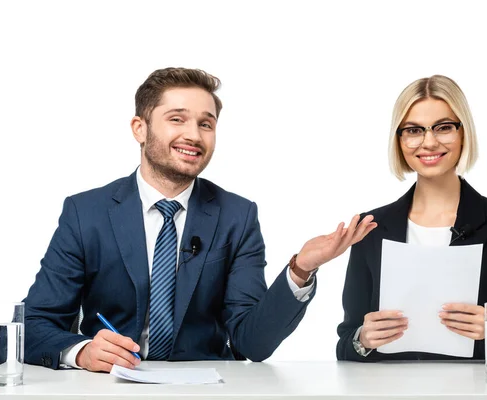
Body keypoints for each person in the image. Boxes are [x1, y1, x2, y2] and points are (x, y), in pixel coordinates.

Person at [24, 67, 377, 372]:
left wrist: (300, 269)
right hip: (113, 385)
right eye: (176, 119)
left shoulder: (238, 216)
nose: (194, 135)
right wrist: (82, 352)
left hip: (207, 386)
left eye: (205, 124)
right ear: (139, 128)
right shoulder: (86, 212)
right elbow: (35, 323)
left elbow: (252, 343)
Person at [336, 75, 487, 361]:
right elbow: (346, 344)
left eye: (444, 127)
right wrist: (363, 339)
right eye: (413, 130)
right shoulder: (370, 227)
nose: (429, 142)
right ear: (399, 140)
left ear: (463, 132)